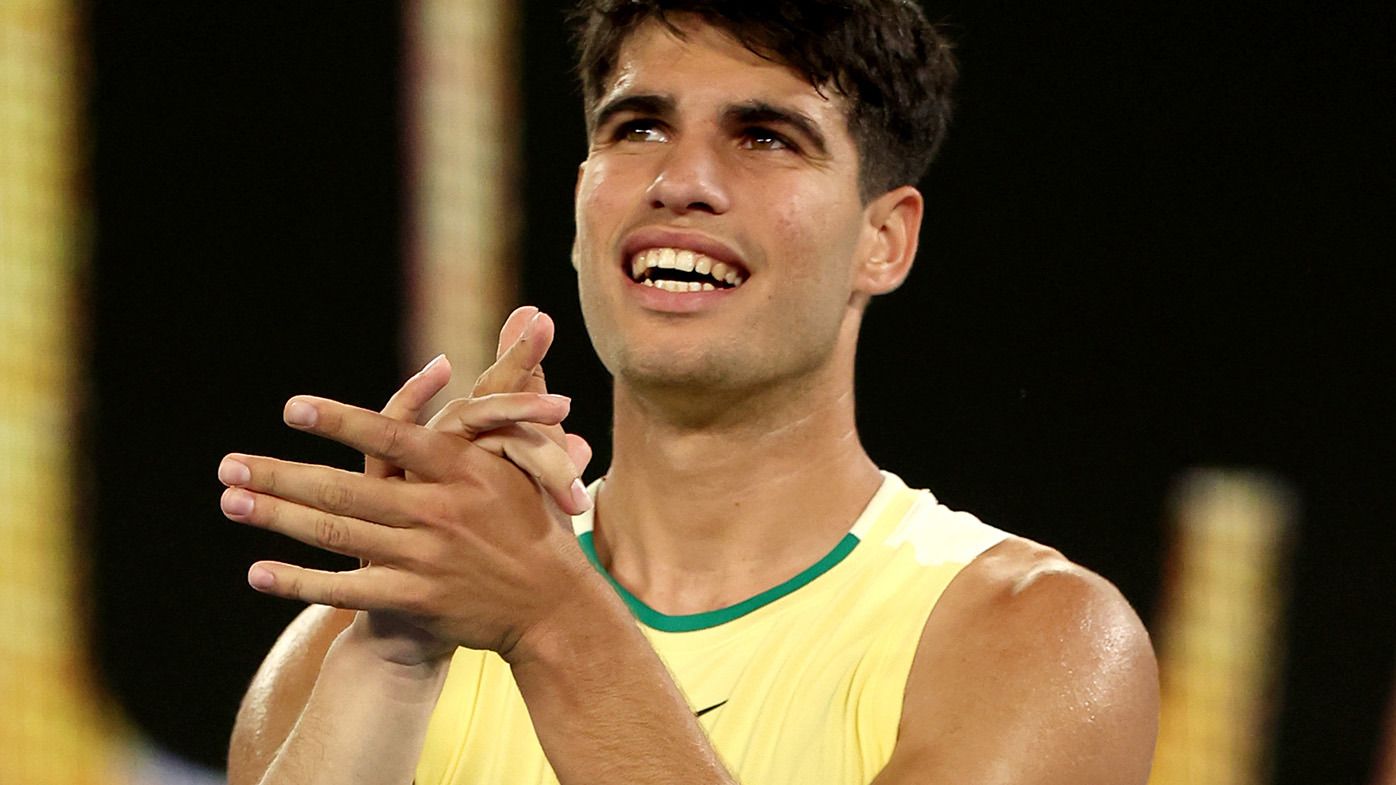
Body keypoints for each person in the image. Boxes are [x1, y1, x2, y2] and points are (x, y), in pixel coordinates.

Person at [220, 2, 1159, 783]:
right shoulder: (355, 641)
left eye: (763, 135)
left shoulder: (1036, 643)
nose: (683, 181)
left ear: (885, 239)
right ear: (582, 199)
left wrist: (555, 619)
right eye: (639, 127)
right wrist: (393, 655)